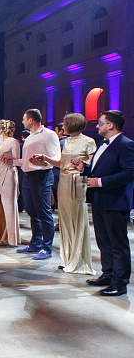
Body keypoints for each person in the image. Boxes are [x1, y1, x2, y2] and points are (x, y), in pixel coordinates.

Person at [72, 110, 134, 296]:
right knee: (104, 242)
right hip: (100, 200)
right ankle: (108, 274)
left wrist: (100, 182)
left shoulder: (126, 145)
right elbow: (101, 169)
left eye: (100, 122)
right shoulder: (103, 144)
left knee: (118, 244)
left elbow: (130, 173)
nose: (97, 126)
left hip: (115, 201)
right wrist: (84, 168)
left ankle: (120, 283)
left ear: (111, 125)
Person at [32, 113, 96, 274]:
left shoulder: (88, 141)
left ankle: (79, 260)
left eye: (65, 124)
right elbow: (61, 163)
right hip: (64, 180)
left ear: (72, 124)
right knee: (65, 219)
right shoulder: (66, 141)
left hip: (77, 181)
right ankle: (68, 258)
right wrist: (45, 159)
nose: (62, 127)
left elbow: (92, 164)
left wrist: (81, 164)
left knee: (77, 218)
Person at [7, 109, 60, 260]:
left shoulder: (49, 135)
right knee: (31, 210)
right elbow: (26, 161)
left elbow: (57, 158)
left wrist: (44, 159)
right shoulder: (30, 137)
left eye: (24, 119)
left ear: (31, 120)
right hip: (27, 176)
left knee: (43, 212)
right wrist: (12, 161)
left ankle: (46, 247)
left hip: (41, 176)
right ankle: (36, 243)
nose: (22, 121)